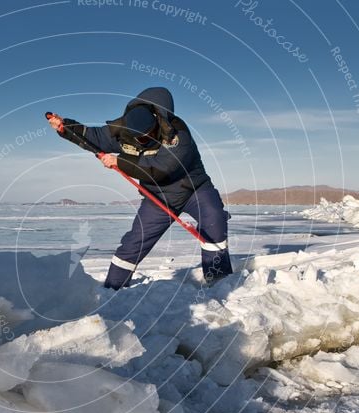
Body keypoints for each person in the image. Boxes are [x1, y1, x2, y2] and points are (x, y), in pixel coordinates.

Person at [48, 87, 233, 289]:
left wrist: (120, 162)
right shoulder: (124, 130)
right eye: (138, 138)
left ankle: (218, 281)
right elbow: (94, 137)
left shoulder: (177, 133)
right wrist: (65, 127)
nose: (141, 141)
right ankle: (113, 289)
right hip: (158, 197)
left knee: (214, 220)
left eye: (146, 137)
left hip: (194, 190)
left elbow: (162, 168)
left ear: (155, 123)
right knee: (133, 243)